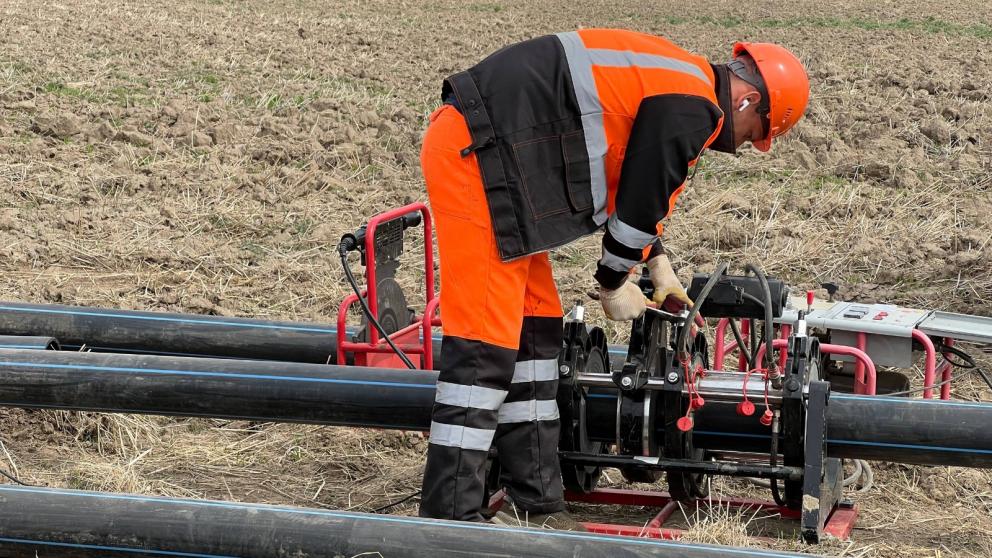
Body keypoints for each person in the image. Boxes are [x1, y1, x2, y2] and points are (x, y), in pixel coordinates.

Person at [418, 28, 809, 527]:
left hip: (504, 165)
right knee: (485, 344)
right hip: (478, 156)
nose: (748, 143)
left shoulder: (684, 85)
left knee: (535, 333)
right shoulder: (692, 108)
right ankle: (450, 518)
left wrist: (656, 263)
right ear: (749, 100)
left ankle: (537, 501)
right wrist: (612, 282)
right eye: (757, 132)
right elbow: (642, 197)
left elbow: (630, 175)